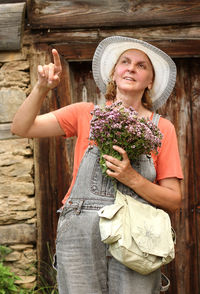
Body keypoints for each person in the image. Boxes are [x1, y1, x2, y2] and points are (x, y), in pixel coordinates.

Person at [11, 36, 183, 294]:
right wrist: (41, 88)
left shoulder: (161, 129)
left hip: (136, 237)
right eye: (124, 62)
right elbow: (21, 127)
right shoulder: (85, 113)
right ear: (114, 73)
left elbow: (173, 200)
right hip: (80, 233)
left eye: (141, 65)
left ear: (149, 82)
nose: (131, 68)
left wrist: (132, 178)